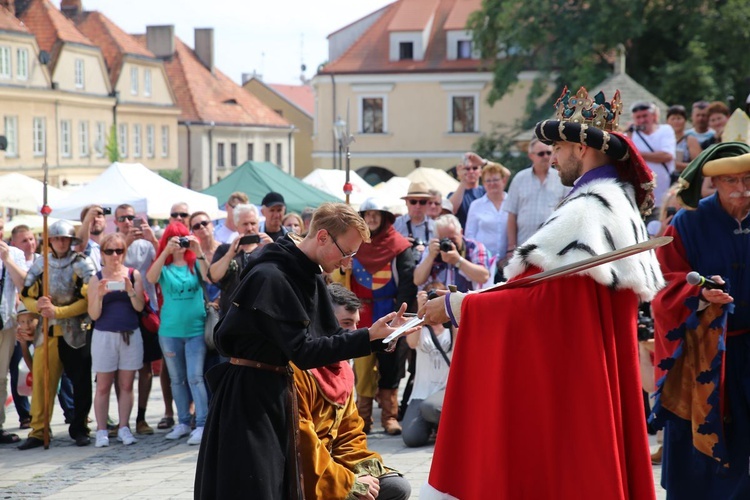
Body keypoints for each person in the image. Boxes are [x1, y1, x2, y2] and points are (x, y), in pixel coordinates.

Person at [419, 86, 663, 499]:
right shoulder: (617, 202)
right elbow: (546, 290)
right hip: (587, 371)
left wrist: (458, 304)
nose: (553, 159)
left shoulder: (586, 209)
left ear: (580, 149)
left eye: (559, 148)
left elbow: (545, 305)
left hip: (571, 380)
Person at [194, 202, 418, 500]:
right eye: (346, 252)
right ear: (322, 237)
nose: (347, 262)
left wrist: (379, 336)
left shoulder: (308, 274)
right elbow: (303, 351)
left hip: (274, 390)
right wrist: (366, 338)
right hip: (249, 397)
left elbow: (331, 336)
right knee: (256, 488)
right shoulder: (271, 276)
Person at [650, 142, 750, 499]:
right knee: (698, 446)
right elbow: (665, 281)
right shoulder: (688, 221)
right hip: (703, 351)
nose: (742, 189)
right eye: (730, 181)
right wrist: (700, 295)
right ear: (714, 182)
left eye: (748, 179)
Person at [294, 283, 411, 500]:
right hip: (305, 473)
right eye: (346, 324)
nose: (354, 333)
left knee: (396, 487)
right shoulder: (298, 371)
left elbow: (350, 434)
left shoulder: (344, 369)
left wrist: (361, 471)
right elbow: (304, 445)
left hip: (335, 464)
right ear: (321, 322)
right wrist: (349, 482)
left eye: (356, 325)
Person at [18, 220, 96, 449]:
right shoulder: (42, 264)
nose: (61, 242)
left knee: (80, 384)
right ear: (50, 240)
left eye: (65, 239)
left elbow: (89, 299)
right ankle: (39, 430)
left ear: (71, 241)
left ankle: (80, 428)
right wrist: (38, 306)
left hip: (76, 331)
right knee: (42, 383)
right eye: (57, 238)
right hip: (48, 332)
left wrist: (59, 311)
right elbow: (25, 295)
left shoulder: (81, 263)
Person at [349, 198, 417, 435]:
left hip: (389, 312)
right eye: (367, 214)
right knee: (363, 367)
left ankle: (390, 417)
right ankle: (363, 419)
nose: (372, 218)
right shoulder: (354, 244)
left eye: (377, 214)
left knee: (390, 366)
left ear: (386, 217)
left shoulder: (399, 246)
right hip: (362, 314)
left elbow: (407, 283)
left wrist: (402, 314)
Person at [146, 223, 209, 446]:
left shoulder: (194, 263)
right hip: (170, 331)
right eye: (175, 239)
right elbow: (151, 278)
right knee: (177, 379)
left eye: (183, 239)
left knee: (195, 377)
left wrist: (198, 250)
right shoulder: (164, 265)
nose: (180, 244)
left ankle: (202, 423)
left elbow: (209, 277)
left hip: (195, 330)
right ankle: (182, 421)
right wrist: (165, 252)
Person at [87, 233, 145, 448]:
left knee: (127, 384)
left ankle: (124, 426)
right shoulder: (96, 277)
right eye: (109, 251)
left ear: (124, 252)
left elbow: (139, 307)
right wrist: (100, 295)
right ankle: (101, 430)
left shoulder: (133, 274)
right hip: (104, 334)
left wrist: (130, 290)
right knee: (103, 385)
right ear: (102, 253)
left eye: (119, 251)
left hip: (129, 333)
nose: (114, 256)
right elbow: (93, 314)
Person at [114, 204, 162, 435]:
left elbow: (162, 264)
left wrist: (153, 239)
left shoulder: (146, 244)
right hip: (118, 310)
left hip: (144, 310)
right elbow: (109, 266)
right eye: (122, 218)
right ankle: (121, 418)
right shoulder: (112, 244)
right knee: (119, 369)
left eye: (131, 217)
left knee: (145, 368)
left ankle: (141, 417)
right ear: (116, 221)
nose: (127, 221)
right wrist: (125, 243)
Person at [402, 285, 453, 449]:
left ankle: (445, 427)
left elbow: (461, 345)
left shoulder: (452, 326)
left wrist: (452, 307)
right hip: (421, 391)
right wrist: (420, 309)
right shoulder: (418, 324)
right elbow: (411, 343)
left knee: (430, 407)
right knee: (412, 438)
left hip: (447, 389)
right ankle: (436, 426)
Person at [503, 138, 568, 257]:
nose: (546, 156)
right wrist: (511, 247)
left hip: (553, 247)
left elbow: (568, 212)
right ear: (531, 156)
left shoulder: (561, 178)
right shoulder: (519, 179)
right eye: (541, 153)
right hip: (524, 246)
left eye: (549, 153)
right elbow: (512, 215)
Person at [208, 203, 272, 316]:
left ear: (258, 224)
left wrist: (272, 248)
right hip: (230, 318)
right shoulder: (225, 250)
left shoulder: (268, 250)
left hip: (260, 318)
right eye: (245, 224)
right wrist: (230, 254)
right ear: (237, 226)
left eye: (253, 223)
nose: (249, 228)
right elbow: (213, 276)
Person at [0, 218, 28, 444]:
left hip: (6, 323)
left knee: (1, 376)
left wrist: (7, 260)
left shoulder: (15, 254)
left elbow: (25, 285)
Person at [413, 214, 490, 292]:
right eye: (444, 239)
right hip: (439, 300)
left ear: (461, 232)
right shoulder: (432, 249)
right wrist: (430, 257)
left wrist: (458, 261)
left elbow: (484, 277)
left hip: (466, 300)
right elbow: (417, 280)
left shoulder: (474, 247)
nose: (449, 244)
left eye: (452, 239)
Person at [9, 224, 38, 430]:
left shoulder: (41, 261)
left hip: (38, 321)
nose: (30, 244)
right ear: (15, 244)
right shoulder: (12, 260)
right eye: (24, 240)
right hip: (17, 320)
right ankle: (25, 414)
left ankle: (69, 410)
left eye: (31, 239)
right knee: (18, 365)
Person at [628, 101, 676, 220]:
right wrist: (628, 135)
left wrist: (637, 154)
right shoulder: (631, 135)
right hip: (640, 199)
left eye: (645, 116)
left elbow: (667, 155)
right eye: (638, 117)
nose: (642, 120)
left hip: (664, 199)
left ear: (654, 116)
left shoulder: (666, 130)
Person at [465, 162, 511, 281]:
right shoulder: (476, 205)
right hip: (483, 264)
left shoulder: (512, 202)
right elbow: (470, 236)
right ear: (483, 183)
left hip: (508, 263)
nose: (492, 184)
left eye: (495, 180)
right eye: (488, 181)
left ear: (503, 181)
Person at [393, 182, 436, 258]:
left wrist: (427, 250)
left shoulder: (436, 227)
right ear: (406, 202)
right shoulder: (395, 225)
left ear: (428, 203)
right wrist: (400, 244)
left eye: (422, 202)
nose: (418, 206)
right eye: (413, 201)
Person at [448, 154, 486, 227]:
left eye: (475, 168)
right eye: (467, 169)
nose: (471, 171)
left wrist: (483, 162)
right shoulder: (454, 195)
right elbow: (451, 210)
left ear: (480, 172)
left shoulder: (486, 192)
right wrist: (463, 179)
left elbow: (504, 175)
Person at [667, 105, 701, 175]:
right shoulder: (663, 140)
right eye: (673, 119)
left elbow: (699, 164)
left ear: (685, 120)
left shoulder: (690, 140)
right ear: (667, 121)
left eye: (679, 118)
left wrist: (676, 165)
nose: (676, 121)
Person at [75, 204, 108, 270]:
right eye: (91, 218)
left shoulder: (112, 245)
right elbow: (79, 246)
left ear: (105, 220)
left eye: (99, 216)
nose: (95, 219)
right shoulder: (83, 247)